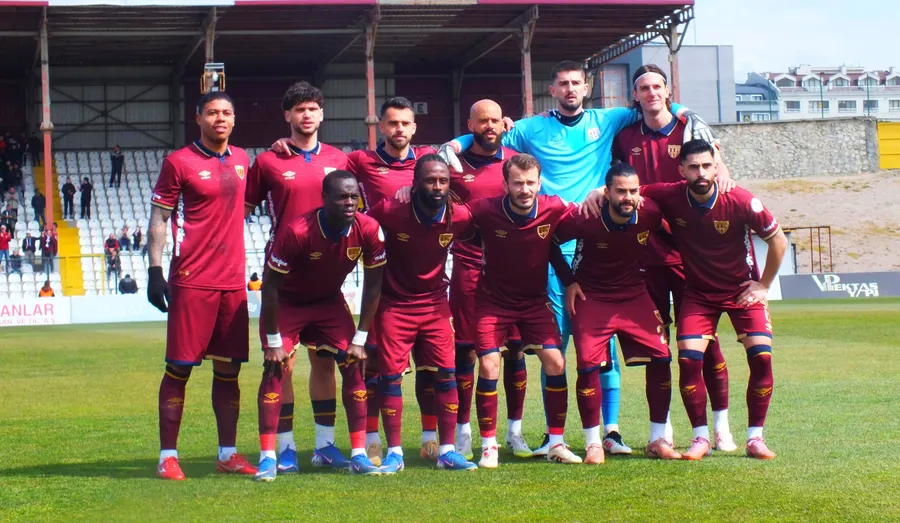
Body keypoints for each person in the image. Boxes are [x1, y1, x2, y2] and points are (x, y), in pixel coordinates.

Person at [441, 61, 716, 455]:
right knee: (556, 346)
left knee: (603, 345)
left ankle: (611, 431)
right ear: (551, 90)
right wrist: (454, 144)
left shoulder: (608, 119)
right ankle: (554, 436)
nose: (570, 89)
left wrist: (689, 114)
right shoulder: (532, 128)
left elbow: (654, 103)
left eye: (576, 83)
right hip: (551, 243)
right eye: (562, 83)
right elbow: (489, 133)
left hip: (595, 241)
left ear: (587, 88)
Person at [270, 96, 438, 467]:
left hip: (416, 278)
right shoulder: (358, 161)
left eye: (405, 123)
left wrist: (503, 127)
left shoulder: (428, 160)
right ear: (380, 126)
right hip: (376, 275)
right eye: (392, 122)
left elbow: (459, 164)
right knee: (365, 361)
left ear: (414, 127)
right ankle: (367, 443)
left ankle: (427, 440)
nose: (399, 129)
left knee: (422, 364)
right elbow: (320, 169)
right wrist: (286, 144)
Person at [610, 64, 737, 451]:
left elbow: (713, 164)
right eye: (643, 88)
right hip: (644, 255)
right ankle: (660, 430)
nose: (651, 92)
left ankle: (721, 427)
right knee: (656, 347)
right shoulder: (625, 136)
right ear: (635, 96)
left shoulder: (689, 129)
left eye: (657, 86)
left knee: (705, 343)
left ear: (668, 91)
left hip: (689, 255)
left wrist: (724, 171)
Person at [639, 139, 787, 460]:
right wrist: (597, 193)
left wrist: (763, 285)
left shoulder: (741, 200)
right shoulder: (670, 194)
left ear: (716, 167)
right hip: (699, 294)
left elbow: (778, 241)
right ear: (682, 171)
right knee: (689, 359)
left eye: (707, 165)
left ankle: (755, 438)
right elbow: (629, 190)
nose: (701, 172)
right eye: (694, 167)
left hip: (741, 291)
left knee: (761, 357)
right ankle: (701, 437)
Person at [146, 91, 256, 481]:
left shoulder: (243, 160)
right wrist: (155, 270)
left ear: (234, 119)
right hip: (192, 280)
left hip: (233, 282)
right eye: (212, 112)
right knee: (179, 368)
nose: (219, 118)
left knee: (229, 371)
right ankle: (167, 457)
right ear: (199, 119)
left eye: (226, 112)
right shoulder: (178, 162)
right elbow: (160, 218)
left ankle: (227, 454)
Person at [254, 169, 386, 481]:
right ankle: (272, 455)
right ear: (324, 198)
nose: (349, 202)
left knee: (354, 364)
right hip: (287, 302)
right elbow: (270, 287)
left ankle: (348, 452)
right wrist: (274, 342)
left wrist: (360, 338)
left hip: (328, 302)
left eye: (354, 196)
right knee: (276, 369)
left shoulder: (368, 228)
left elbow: (374, 285)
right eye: (342, 197)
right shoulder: (298, 231)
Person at [246, 81, 350, 474]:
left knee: (326, 364)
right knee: (281, 367)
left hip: (327, 285)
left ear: (322, 114)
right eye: (299, 109)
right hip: (284, 285)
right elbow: (240, 209)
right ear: (287, 115)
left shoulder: (340, 159)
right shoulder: (268, 161)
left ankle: (325, 446)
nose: (307, 115)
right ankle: (285, 449)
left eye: (312, 108)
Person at [552, 163, 682, 464]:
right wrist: (569, 281)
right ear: (607, 192)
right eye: (621, 191)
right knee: (587, 364)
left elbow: (674, 236)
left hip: (634, 294)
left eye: (633, 191)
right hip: (592, 296)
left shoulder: (650, 213)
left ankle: (658, 439)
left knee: (662, 356)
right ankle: (593, 444)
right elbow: (550, 242)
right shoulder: (586, 216)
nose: (628, 197)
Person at [467, 153, 582, 468]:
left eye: (531, 183)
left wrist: (570, 280)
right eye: (517, 183)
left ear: (540, 183)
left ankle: (556, 443)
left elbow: (569, 229)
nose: (525, 189)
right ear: (505, 184)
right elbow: (451, 216)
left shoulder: (553, 206)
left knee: (556, 362)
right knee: (489, 365)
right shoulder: (485, 210)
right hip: (493, 302)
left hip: (534, 302)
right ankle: (488, 446)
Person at [366, 154, 478, 473]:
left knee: (446, 374)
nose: (437, 186)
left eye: (443, 181)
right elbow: (362, 229)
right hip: (394, 305)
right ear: (414, 184)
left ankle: (447, 451)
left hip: (435, 305)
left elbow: (483, 230)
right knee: (390, 378)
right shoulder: (391, 210)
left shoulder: (459, 216)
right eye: (430, 180)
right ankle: (395, 453)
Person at [447, 100, 531, 460]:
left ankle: (515, 432)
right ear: (470, 126)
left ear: (503, 123)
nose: (490, 126)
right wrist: (455, 144)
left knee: (515, 351)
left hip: (513, 272)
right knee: (466, 350)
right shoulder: (453, 165)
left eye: (495, 120)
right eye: (482, 121)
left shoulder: (514, 162)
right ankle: (463, 432)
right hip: (468, 269)